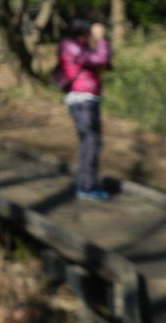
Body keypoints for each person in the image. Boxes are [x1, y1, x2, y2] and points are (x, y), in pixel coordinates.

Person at [59, 18, 111, 200]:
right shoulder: (70, 45)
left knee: (89, 143)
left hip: (87, 99)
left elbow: (103, 63)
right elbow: (100, 58)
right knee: (90, 143)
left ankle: (85, 184)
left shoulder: (77, 45)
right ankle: (87, 187)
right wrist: (101, 39)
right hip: (83, 100)